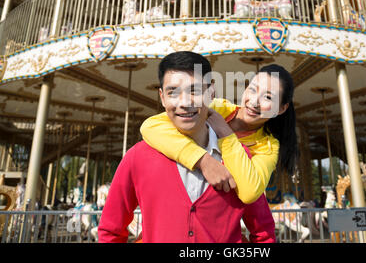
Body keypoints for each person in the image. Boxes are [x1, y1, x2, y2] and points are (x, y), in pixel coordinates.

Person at [98, 51, 275, 243]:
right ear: (162, 97)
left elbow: (263, 233)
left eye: (195, 91)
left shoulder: (240, 158)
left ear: (211, 93)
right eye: (172, 92)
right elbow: (111, 231)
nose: (184, 103)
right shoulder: (137, 157)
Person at [140, 63, 299, 204]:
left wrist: (225, 133)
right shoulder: (218, 108)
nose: (254, 101)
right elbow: (150, 126)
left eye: (268, 97)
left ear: (281, 109)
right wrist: (203, 161)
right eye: (252, 90)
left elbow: (249, 193)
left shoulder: (267, 147)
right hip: (172, 193)